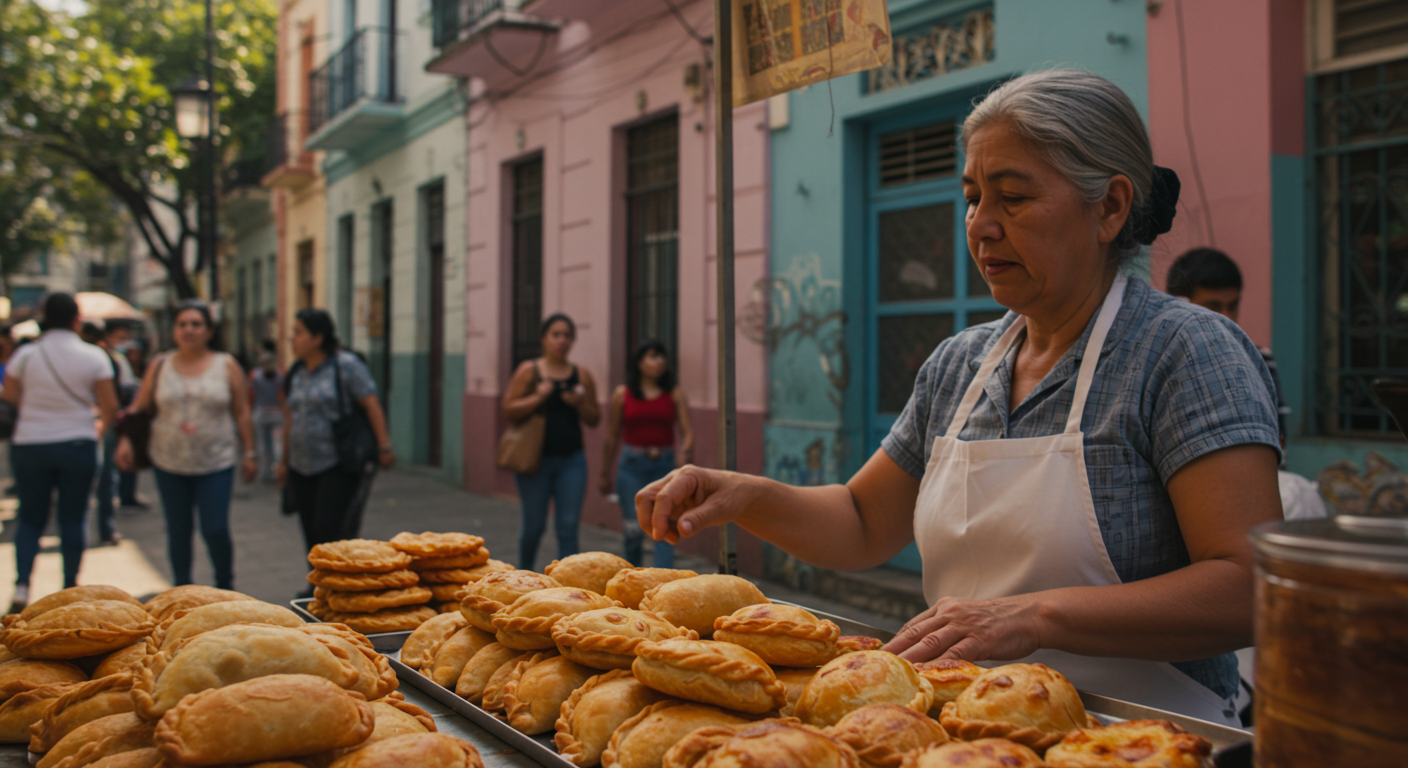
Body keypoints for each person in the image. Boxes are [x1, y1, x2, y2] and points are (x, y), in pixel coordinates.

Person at [636, 70, 1283, 725]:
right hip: (971, 731)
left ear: (1110, 207)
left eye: (1013, 198)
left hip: (1143, 737)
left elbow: (1250, 586)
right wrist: (747, 496)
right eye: (973, 198)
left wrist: (1034, 616)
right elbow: (864, 522)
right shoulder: (960, 364)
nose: (982, 226)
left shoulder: (1184, 351)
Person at [1165, 248, 1325, 521]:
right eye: (1214, 306)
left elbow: (1278, 449)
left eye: (1233, 305)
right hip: (1178, 492)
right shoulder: (1161, 363)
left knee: (1299, 496)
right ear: (1180, 303)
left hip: (1249, 487)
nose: (1226, 317)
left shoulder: (1258, 358)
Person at [116, 300, 256, 590]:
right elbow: (138, 408)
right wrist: (126, 440)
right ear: (175, 330)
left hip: (216, 461)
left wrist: (251, 453)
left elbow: (242, 412)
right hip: (168, 461)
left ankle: (225, 587)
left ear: (209, 330)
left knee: (215, 528)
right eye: (183, 324)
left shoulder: (226, 365)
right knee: (179, 531)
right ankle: (182, 590)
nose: (189, 330)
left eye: (196, 324)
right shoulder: (159, 365)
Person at [2, 293, 119, 611]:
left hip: (30, 443)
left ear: (45, 317)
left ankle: (23, 586)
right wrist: (96, 428)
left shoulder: (26, 355)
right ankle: (68, 588)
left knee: (30, 517)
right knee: (73, 516)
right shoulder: (94, 356)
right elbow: (110, 406)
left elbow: (10, 394)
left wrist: (39, 412)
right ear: (76, 319)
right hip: (78, 444)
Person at [278, 309, 394, 562]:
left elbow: (371, 405)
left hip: (337, 462)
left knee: (329, 528)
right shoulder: (297, 371)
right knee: (309, 528)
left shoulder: (346, 366)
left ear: (317, 337)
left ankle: (338, 582)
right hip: (301, 465)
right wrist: (284, 461)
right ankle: (318, 583)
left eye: (298, 332)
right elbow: (291, 417)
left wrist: (384, 447)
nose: (292, 339)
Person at [502, 313, 601, 570]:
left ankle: (568, 584)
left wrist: (580, 403)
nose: (562, 340)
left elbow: (594, 418)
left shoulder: (581, 374)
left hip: (572, 461)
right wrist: (537, 397)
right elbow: (509, 409)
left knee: (568, 526)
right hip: (536, 461)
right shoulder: (530, 370)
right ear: (544, 339)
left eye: (567, 335)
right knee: (534, 526)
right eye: (556, 335)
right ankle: (523, 575)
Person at [599, 340, 694, 567]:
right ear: (640, 363)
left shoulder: (674, 393)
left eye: (662, 356)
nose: (659, 361)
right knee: (633, 529)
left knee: (664, 527)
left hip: (665, 464)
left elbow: (687, 430)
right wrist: (604, 473)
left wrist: (685, 453)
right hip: (631, 465)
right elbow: (612, 435)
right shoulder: (623, 394)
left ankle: (663, 583)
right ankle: (632, 578)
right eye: (652, 356)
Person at [87, 321, 139, 546]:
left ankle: (84, 529)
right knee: (106, 478)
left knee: (93, 480)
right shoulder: (110, 359)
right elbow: (121, 394)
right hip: (104, 422)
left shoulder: (96, 357)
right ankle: (105, 529)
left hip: (86, 425)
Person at [248, 351, 283, 482]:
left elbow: (251, 395)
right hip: (276, 412)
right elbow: (283, 395)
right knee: (277, 444)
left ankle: (265, 472)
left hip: (261, 413)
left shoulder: (255, 375)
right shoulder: (280, 376)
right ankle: (277, 469)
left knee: (263, 444)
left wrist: (250, 409)